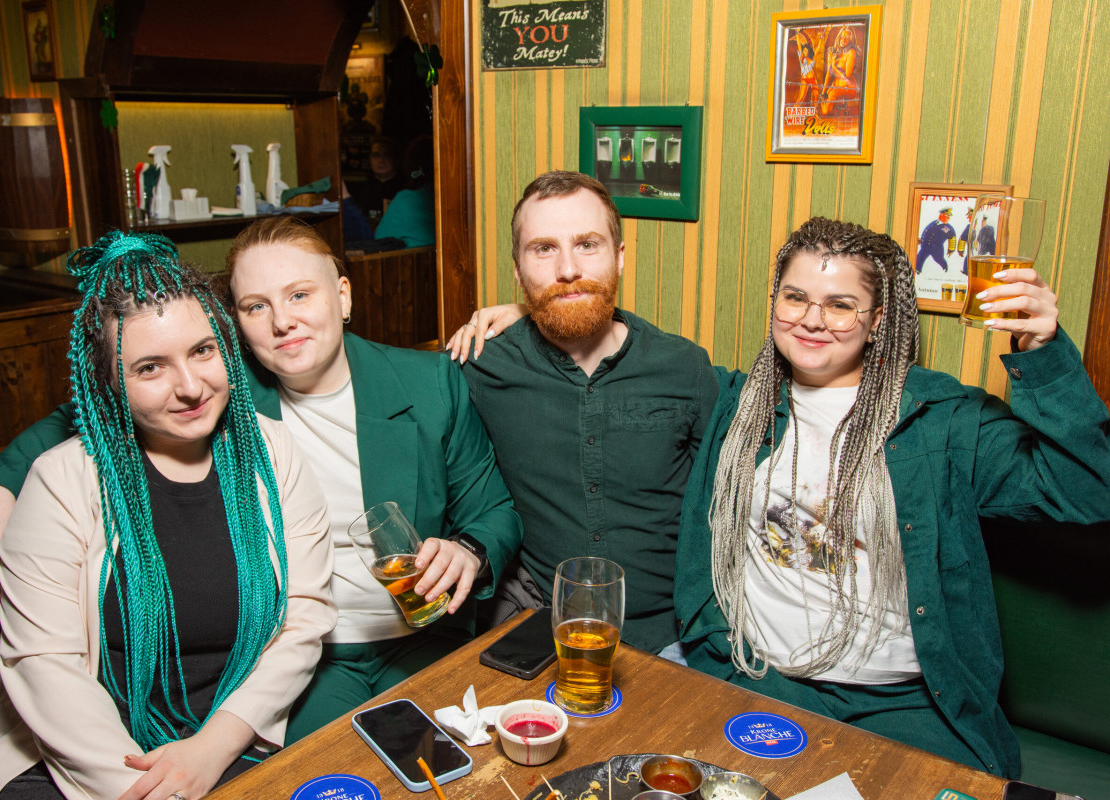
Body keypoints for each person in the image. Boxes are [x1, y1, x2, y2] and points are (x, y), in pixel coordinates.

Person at [0, 216, 522, 739]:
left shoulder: (428, 383)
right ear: (236, 324)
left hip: (423, 637)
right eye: (255, 306)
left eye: (300, 294)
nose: (283, 321)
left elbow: (494, 511)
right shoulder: (215, 386)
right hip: (307, 656)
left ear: (343, 295)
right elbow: (83, 411)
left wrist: (469, 550)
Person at [674, 217, 1110, 776]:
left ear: (878, 320)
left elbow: (1085, 491)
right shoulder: (738, 405)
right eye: (795, 297)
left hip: (902, 703)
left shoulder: (941, 420)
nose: (811, 319)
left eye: (840, 305)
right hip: (763, 681)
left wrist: (1043, 352)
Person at [0, 231, 336, 800]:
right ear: (109, 381)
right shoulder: (62, 481)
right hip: (75, 756)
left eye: (203, 350)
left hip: (229, 741)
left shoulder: (273, 454)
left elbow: (305, 620)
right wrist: (149, 791)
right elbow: (44, 665)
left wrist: (212, 749)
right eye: (150, 367)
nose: (191, 387)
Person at [448, 171, 717, 657]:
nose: (568, 268)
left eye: (587, 245)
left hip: (672, 638)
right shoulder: (481, 365)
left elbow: (726, 508)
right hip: (541, 630)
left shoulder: (684, 368)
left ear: (619, 256)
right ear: (518, 271)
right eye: (543, 249)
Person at [372, 135, 435, 248]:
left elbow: (380, 241)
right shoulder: (454, 196)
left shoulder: (406, 199)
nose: (381, 160)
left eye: (388, 155)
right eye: (376, 155)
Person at [915, 207, 956, 274]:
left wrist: (951, 250)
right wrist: (921, 240)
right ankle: (917, 270)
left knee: (939, 259)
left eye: (949, 216)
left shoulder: (948, 228)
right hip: (925, 246)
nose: (948, 218)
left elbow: (952, 238)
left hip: (936, 248)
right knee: (919, 258)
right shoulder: (934, 222)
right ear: (941, 214)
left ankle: (945, 269)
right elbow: (926, 231)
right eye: (947, 216)